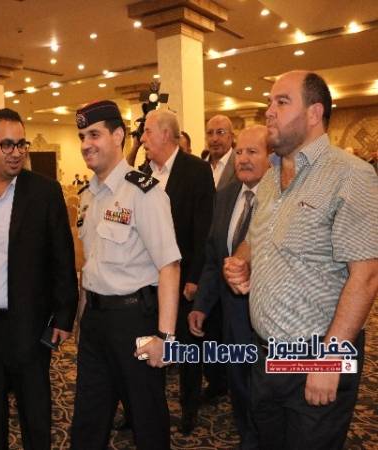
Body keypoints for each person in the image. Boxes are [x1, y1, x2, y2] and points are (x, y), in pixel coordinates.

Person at [224, 71, 378, 450]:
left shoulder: (351, 175)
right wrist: (240, 263)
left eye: (281, 101)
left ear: (314, 113)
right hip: (266, 353)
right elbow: (256, 238)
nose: (269, 111)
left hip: (316, 354)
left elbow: (367, 276)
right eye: (269, 102)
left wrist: (329, 359)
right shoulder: (270, 176)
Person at [0, 108, 78, 450]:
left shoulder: (44, 192)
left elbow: (62, 257)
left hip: (29, 326)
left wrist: (64, 316)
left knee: (35, 418)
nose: (16, 152)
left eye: (21, 144)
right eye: (6, 144)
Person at [70, 100, 181, 450]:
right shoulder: (88, 196)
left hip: (135, 323)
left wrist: (165, 338)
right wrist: (82, 317)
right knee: (88, 421)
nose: (86, 144)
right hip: (96, 323)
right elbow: (91, 265)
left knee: (147, 421)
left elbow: (169, 265)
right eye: (82, 136)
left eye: (95, 135)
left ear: (118, 135)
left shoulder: (143, 192)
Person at [188, 125, 271, 449]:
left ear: (272, 157)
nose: (243, 159)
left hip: (271, 326)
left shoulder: (283, 198)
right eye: (239, 152)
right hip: (232, 321)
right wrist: (201, 305)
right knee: (240, 391)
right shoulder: (224, 196)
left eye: (253, 152)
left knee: (269, 402)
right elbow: (214, 258)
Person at [139, 109, 216, 435]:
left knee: (186, 348)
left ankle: (188, 409)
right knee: (148, 345)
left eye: (147, 132)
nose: (142, 138)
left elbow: (203, 231)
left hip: (183, 278)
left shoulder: (196, 170)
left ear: (166, 134)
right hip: (147, 280)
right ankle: (143, 407)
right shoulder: (142, 172)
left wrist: (195, 277)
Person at [206, 115, 236, 190]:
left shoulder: (240, 165)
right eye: (210, 133)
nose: (214, 139)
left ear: (231, 137)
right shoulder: (198, 168)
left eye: (220, 132)